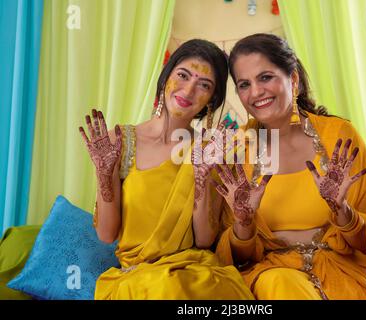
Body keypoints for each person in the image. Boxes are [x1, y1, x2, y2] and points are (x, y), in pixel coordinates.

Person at [212, 33, 366, 300]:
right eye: (244, 84)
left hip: (345, 275)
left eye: (265, 77)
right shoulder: (238, 150)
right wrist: (244, 223)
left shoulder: (340, 138)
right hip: (273, 277)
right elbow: (238, 260)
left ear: (294, 79)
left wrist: (342, 211)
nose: (255, 92)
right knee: (278, 283)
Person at [78, 39, 254, 300]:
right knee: (166, 288)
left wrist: (202, 179)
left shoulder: (208, 151)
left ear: (211, 100)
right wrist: (104, 175)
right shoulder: (121, 142)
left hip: (194, 273)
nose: (189, 90)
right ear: (165, 78)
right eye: (183, 75)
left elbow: (205, 240)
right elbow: (106, 234)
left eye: (204, 85)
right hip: (139, 279)